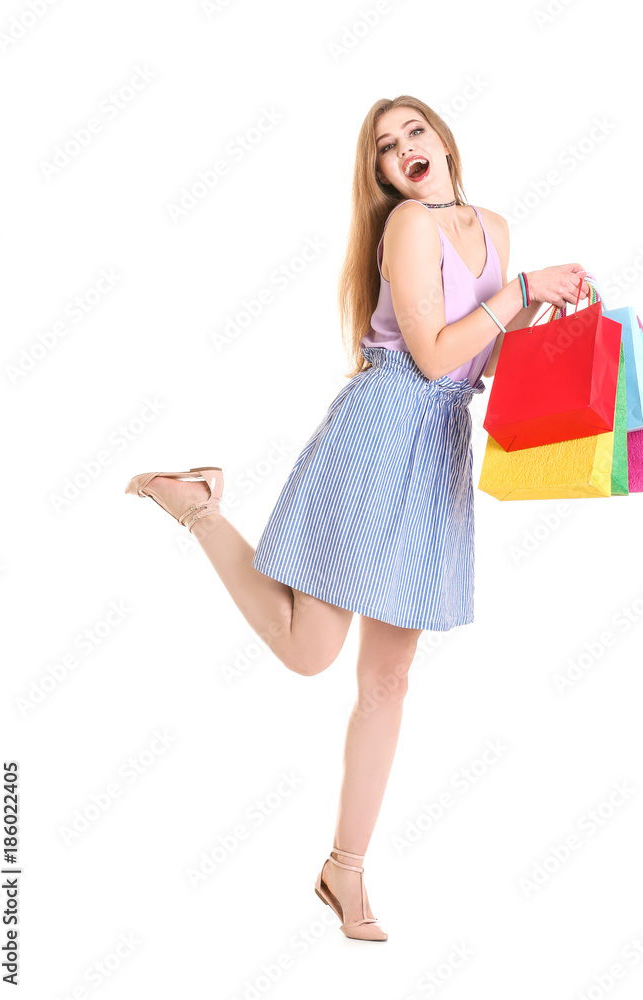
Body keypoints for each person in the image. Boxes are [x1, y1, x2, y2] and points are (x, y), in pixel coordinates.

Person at [125, 95, 589, 942]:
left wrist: (538, 314)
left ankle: (345, 872)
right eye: (385, 146)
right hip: (381, 434)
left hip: (438, 447)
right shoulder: (408, 225)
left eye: (414, 132)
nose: (404, 150)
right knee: (311, 653)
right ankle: (197, 510)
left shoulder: (493, 222)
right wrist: (518, 290)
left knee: (387, 681)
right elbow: (433, 351)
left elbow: (476, 356)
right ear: (380, 173)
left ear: (444, 140)